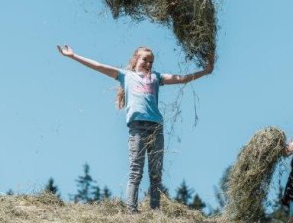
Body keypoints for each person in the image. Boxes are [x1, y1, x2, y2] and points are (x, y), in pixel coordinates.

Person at [57, 44, 213, 213]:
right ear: (135, 60)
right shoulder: (126, 76)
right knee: (136, 171)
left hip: (156, 128)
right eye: (145, 59)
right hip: (137, 127)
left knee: (156, 174)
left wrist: (206, 71)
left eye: (151, 61)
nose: (148, 63)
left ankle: (155, 212)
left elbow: (181, 78)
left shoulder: (157, 78)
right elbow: (99, 66)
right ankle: (131, 212)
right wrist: (73, 56)